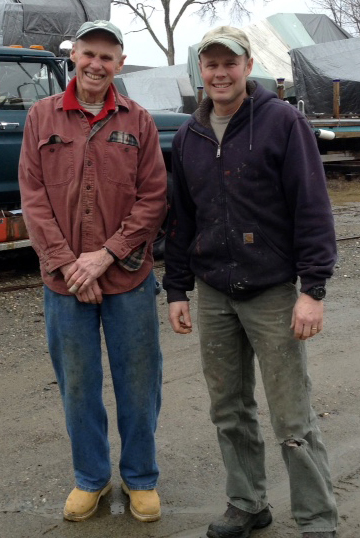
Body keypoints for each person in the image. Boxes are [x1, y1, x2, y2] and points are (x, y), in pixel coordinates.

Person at [163, 26, 338, 538]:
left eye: (229, 63)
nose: (220, 73)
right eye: (211, 64)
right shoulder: (191, 136)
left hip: (273, 290)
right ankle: (247, 502)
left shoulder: (283, 122)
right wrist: (176, 288)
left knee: (292, 414)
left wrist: (313, 290)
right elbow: (182, 219)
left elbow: (312, 208)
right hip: (215, 290)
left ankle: (316, 518)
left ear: (247, 66)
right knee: (229, 408)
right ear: (201, 71)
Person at [19, 20, 166, 523]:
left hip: (128, 276)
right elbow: (33, 199)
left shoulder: (140, 121)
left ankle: (141, 477)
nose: (97, 64)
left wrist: (103, 257)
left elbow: (153, 199)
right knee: (78, 384)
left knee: (139, 382)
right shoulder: (41, 117)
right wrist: (67, 265)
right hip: (64, 283)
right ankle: (92, 479)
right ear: (73, 57)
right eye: (89, 54)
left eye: (108, 56)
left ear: (120, 64)